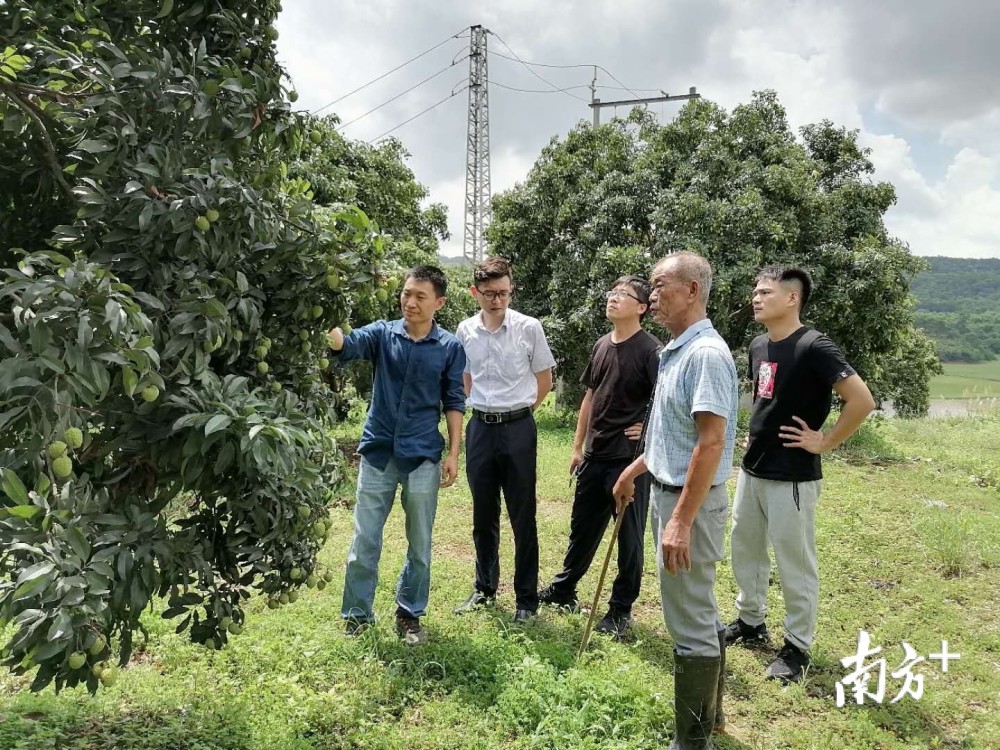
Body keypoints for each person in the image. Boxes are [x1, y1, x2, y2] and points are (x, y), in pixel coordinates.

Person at [725, 266, 875, 682]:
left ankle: (796, 646)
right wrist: (754, 435)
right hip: (754, 468)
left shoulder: (814, 346)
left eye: (765, 292)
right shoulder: (759, 345)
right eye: (755, 291)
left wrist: (824, 442)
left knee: (794, 561)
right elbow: (765, 399)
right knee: (746, 549)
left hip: (792, 474)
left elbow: (861, 400)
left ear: (792, 298)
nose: (756, 298)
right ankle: (750, 621)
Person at [613, 252, 738, 747]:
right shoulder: (676, 351)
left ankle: (691, 740)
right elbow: (675, 435)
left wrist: (680, 521)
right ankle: (713, 716)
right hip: (669, 491)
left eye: (661, 285)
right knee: (698, 611)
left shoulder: (706, 354)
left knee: (687, 622)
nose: (653, 294)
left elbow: (710, 443)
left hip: (689, 503)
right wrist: (635, 467)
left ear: (692, 290)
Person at [330, 265, 466, 646]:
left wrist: (454, 454)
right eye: (407, 293)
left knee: (420, 544)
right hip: (378, 452)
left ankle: (409, 612)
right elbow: (347, 344)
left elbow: (454, 401)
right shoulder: (382, 333)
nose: (410, 302)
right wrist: (328, 323)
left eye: (420, 296)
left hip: (423, 455)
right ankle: (357, 615)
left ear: (438, 303)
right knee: (364, 542)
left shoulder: (450, 347)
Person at [537, 275, 661, 641]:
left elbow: (665, 401)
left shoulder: (651, 350)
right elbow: (590, 398)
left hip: (629, 461)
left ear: (642, 308)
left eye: (623, 295)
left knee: (628, 538)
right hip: (595, 454)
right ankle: (564, 590)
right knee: (582, 529)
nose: (613, 299)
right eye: (612, 293)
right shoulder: (602, 345)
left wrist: (647, 427)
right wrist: (578, 447)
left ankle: (620, 610)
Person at [453, 257, 556, 623]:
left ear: (511, 289)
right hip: (479, 427)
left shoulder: (529, 328)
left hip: (518, 428)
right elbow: (464, 378)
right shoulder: (465, 330)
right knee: (483, 514)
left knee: (522, 514)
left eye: (503, 293)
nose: (497, 300)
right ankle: (484, 588)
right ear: (475, 292)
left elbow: (544, 381)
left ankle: (526, 599)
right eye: (489, 294)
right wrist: (480, 407)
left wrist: (521, 412)